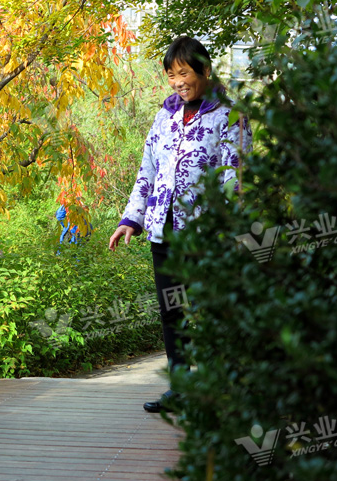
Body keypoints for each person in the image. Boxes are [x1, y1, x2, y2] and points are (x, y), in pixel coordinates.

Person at [108, 36, 252, 413]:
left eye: (184, 73)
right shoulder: (165, 115)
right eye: (171, 75)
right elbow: (148, 170)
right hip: (164, 231)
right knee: (173, 311)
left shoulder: (229, 114)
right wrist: (132, 219)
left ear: (204, 70)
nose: (177, 82)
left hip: (207, 234)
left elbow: (236, 176)